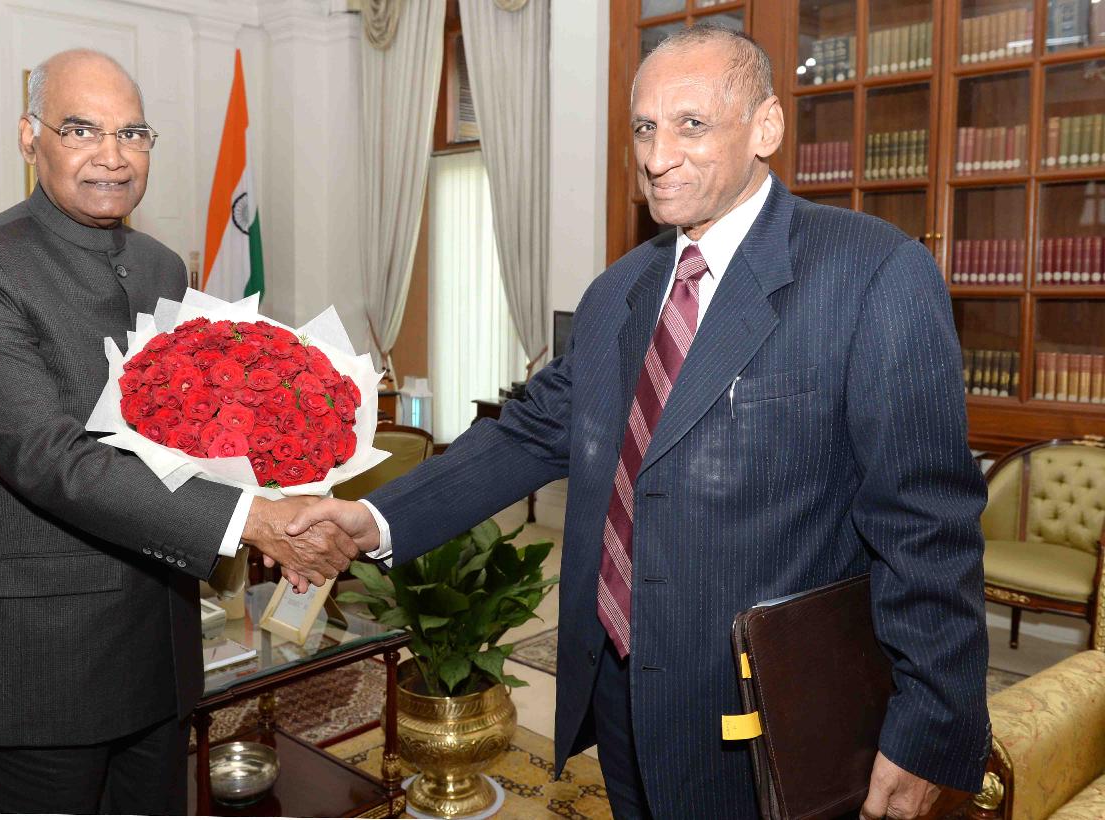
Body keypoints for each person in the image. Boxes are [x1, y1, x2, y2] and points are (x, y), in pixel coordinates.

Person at [288, 24, 990, 820]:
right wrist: (372, 519)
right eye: (645, 127)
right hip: (619, 692)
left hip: (768, 710)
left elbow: (926, 522)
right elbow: (530, 431)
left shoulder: (872, 272)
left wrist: (930, 725)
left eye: (691, 125)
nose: (658, 156)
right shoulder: (618, 292)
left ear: (765, 127)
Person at [0, 49, 358, 814]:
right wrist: (254, 521)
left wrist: (283, 490)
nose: (113, 156)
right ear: (30, 138)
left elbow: (189, 434)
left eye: (133, 134)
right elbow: (50, 459)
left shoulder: (161, 267)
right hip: (38, 666)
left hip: (159, 646)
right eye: (82, 130)